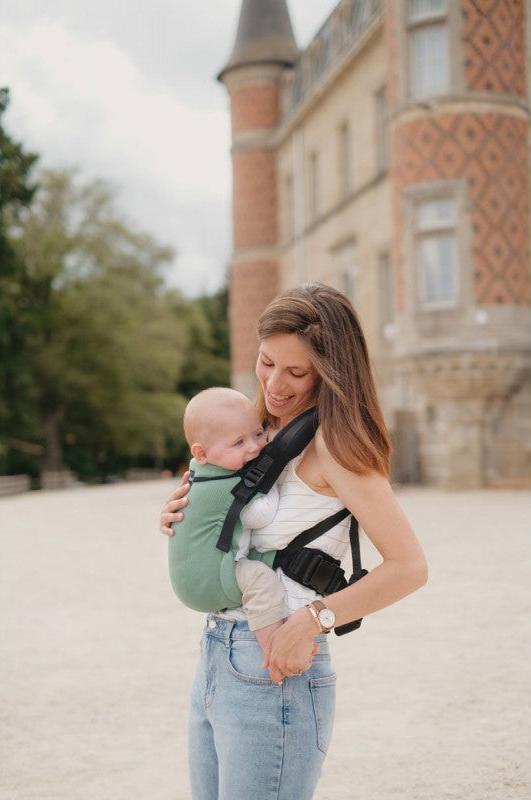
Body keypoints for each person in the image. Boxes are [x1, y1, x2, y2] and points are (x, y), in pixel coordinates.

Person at [160, 283, 428, 800]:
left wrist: (312, 620)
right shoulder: (257, 429)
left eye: (296, 372)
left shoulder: (336, 445)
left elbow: (410, 566)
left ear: (330, 371)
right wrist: (182, 512)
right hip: (219, 651)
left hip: (277, 667)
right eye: (266, 363)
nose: (275, 385)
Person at [169, 386, 289, 653]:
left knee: (267, 561)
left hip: (202, 575)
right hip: (208, 581)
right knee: (261, 579)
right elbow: (261, 514)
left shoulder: (205, 474)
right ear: (201, 454)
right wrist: (278, 480)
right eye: (239, 442)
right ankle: (274, 646)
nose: (256, 447)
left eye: (259, 433)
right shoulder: (221, 486)